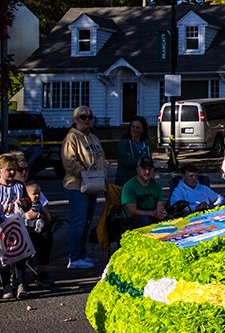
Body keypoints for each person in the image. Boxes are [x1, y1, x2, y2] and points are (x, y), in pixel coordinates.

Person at [62, 105, 107, 269]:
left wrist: (102, 175)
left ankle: (81, 254)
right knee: (78, 222)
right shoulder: (72, 138)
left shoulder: (94, 138)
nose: (87, 120)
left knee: (87, 222)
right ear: (75, 120)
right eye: (83, 117)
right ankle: (74, 257)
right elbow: (69, 161)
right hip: (77, 186)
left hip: (93, 185)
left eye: (90, 117)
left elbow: (102, 159)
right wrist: (84, 174)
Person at [0, 154, 37, 298]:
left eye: (13, 170)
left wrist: (25, 203)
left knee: (20, 257)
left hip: (18, 227)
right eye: (8, 170)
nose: (11, 173)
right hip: (2, 228)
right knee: (5, 258)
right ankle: (6, 286)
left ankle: (21, 284)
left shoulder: (19, 186)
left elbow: (28, 203)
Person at [11, 151, 54, 287]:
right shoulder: (8, 190)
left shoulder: (34, 189)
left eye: (26, 169)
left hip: (34, 225)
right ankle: (15, 275)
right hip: (13, 228)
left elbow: (48, 218)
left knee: (45, 232)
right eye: (20, 170)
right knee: (22, 233)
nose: (24, 172)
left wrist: (38, 215)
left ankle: (42, 273)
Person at [120, 156, 166, 228]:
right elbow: (132, 212)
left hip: (152, 215)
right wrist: (153, 213)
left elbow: (159, 206)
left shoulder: (157, 185)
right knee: (146, 220)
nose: (147, 172)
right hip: (131, 219)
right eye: (144, 169)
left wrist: (161, 212)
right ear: (138, 169)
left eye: (150, 169)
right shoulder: (129, 187)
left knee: (169, 219)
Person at [115, 116, 151, 185]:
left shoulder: (145, 145)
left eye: (138, 127)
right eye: (133, 126)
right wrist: (142, 162)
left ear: (143, 130)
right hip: (125, 181)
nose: (134, 129)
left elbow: (149, 162)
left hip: (141, 182)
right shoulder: (124, 143)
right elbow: (128, 162)